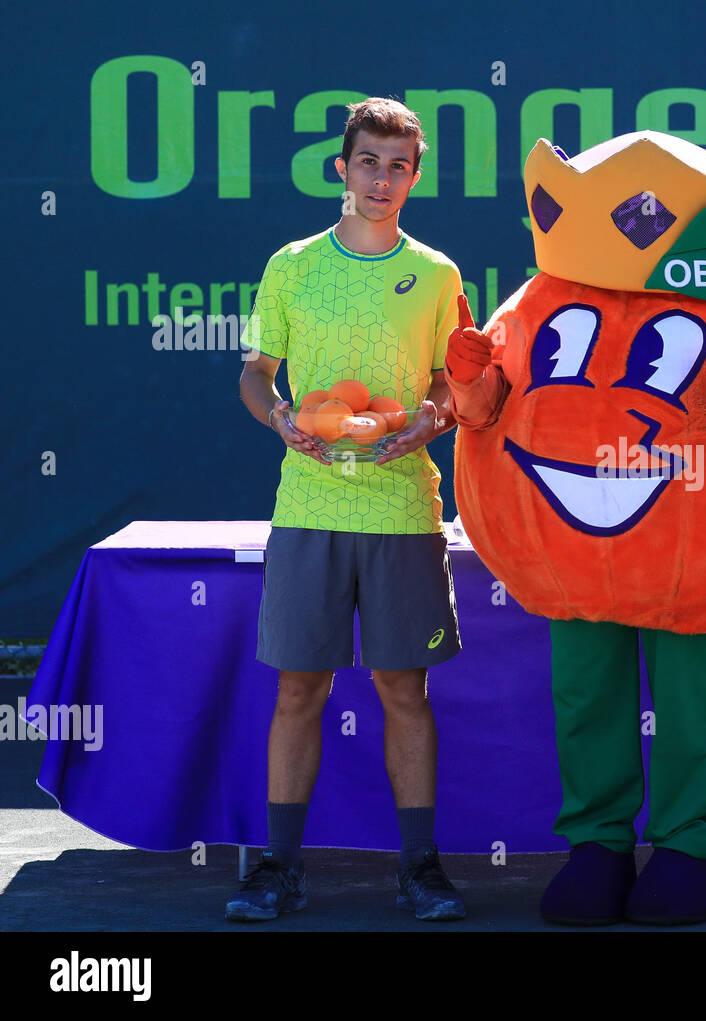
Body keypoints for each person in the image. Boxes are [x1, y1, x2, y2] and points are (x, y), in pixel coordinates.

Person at [230, 97, 466, 922]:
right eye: (369, 161)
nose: (383, 178)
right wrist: (283, 419)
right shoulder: (291, 263)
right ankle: (278, 870)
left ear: (416, 175)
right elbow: (256, 372)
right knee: (299, 689)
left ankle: (421, 870)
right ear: (343, 167)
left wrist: (433, 419)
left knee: (405, 689)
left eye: (399, 166)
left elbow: (448, 383)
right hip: (309, 502)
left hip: (403, 508)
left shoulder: (437, 274)